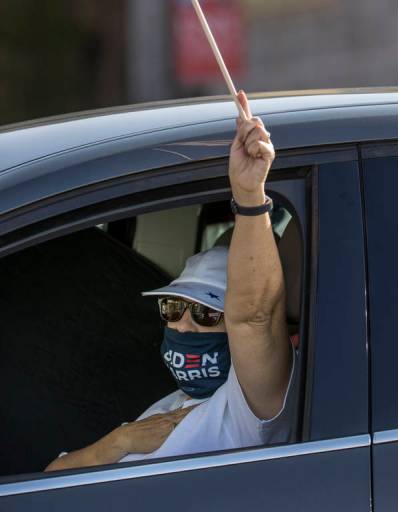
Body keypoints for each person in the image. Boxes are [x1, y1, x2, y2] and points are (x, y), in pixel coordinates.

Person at [45, 91, 295, 470]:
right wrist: (118, 441)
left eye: (207, 314)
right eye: (173, 308)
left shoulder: (250, 408)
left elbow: (255, 317)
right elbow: (51, 480)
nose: (184, 324)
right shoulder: (170, 403)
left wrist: (248, 194)